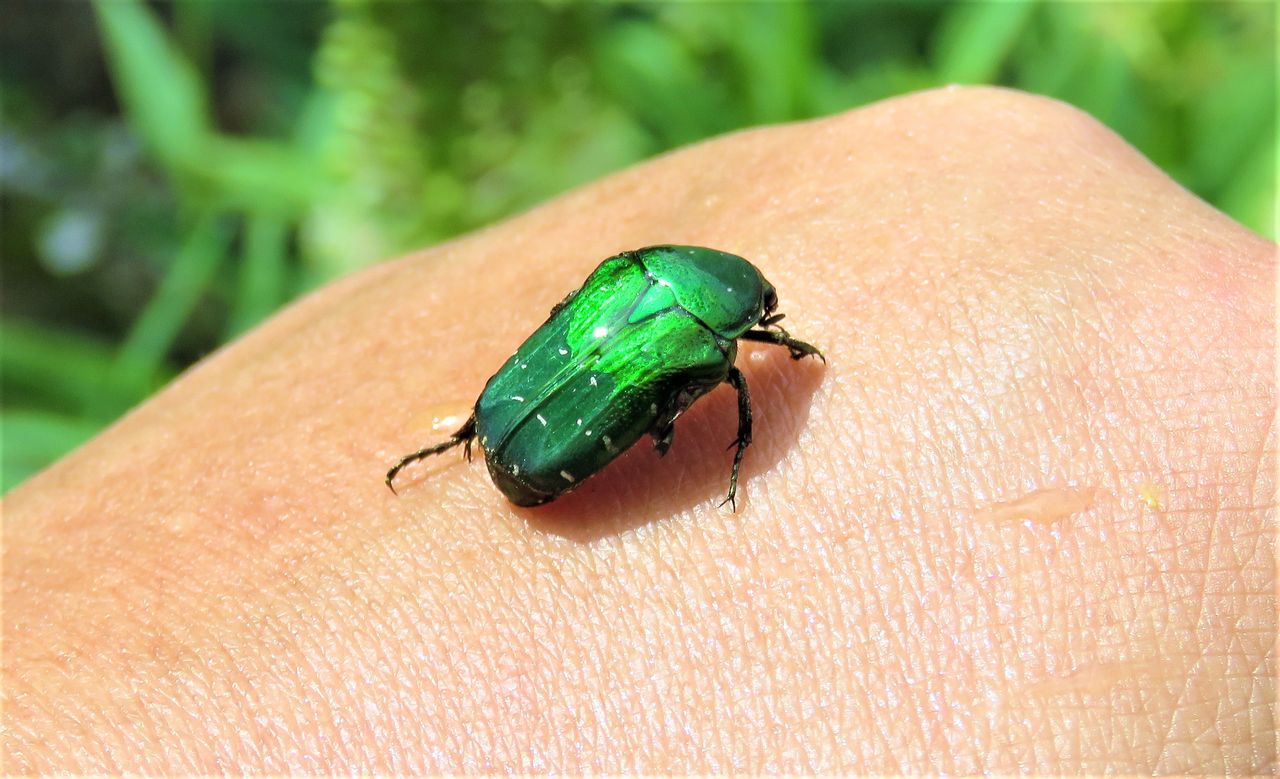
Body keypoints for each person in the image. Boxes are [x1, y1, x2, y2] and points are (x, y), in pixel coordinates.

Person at [4, 87, 1274, 773]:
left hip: (517, 411)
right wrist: (700, 440)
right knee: (675, 396)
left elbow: (572, 325)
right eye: (764, 326)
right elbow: (692, 371)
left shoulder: (643, 281)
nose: (766, 337)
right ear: (748, 317)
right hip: (542, 441)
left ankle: (469, 448)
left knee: (594, 385)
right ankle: (520, 449)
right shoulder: (713, 342)